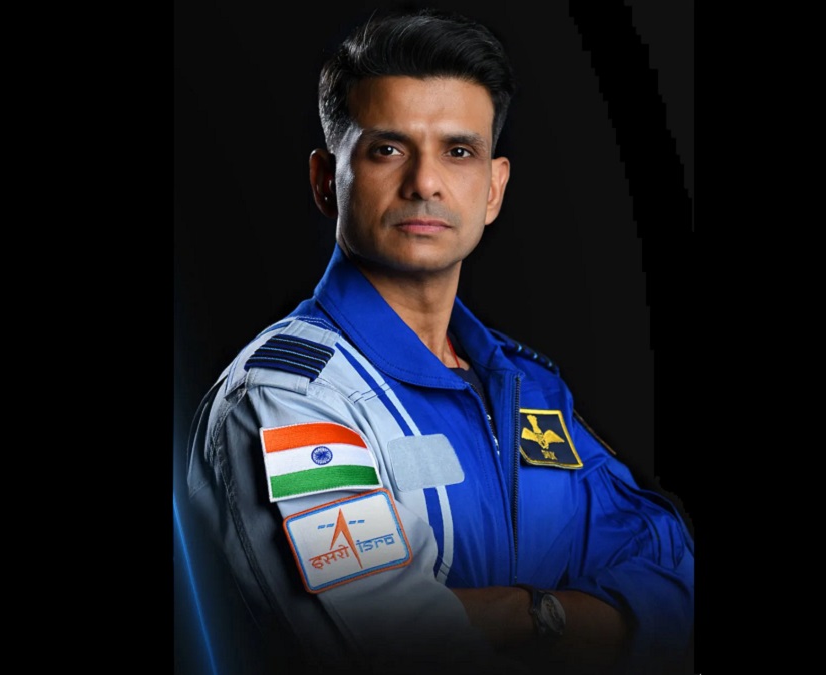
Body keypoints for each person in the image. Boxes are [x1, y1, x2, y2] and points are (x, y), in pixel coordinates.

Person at [185, 8, 693, 675]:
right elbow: (402, 648)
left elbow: (674, 573)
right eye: (387, 149)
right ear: (324, 181)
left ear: (493, 188)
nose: (425, 182)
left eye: (458, 151)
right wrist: (588, 622)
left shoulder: (526, 386)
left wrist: (527, 613)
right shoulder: (286, 398)